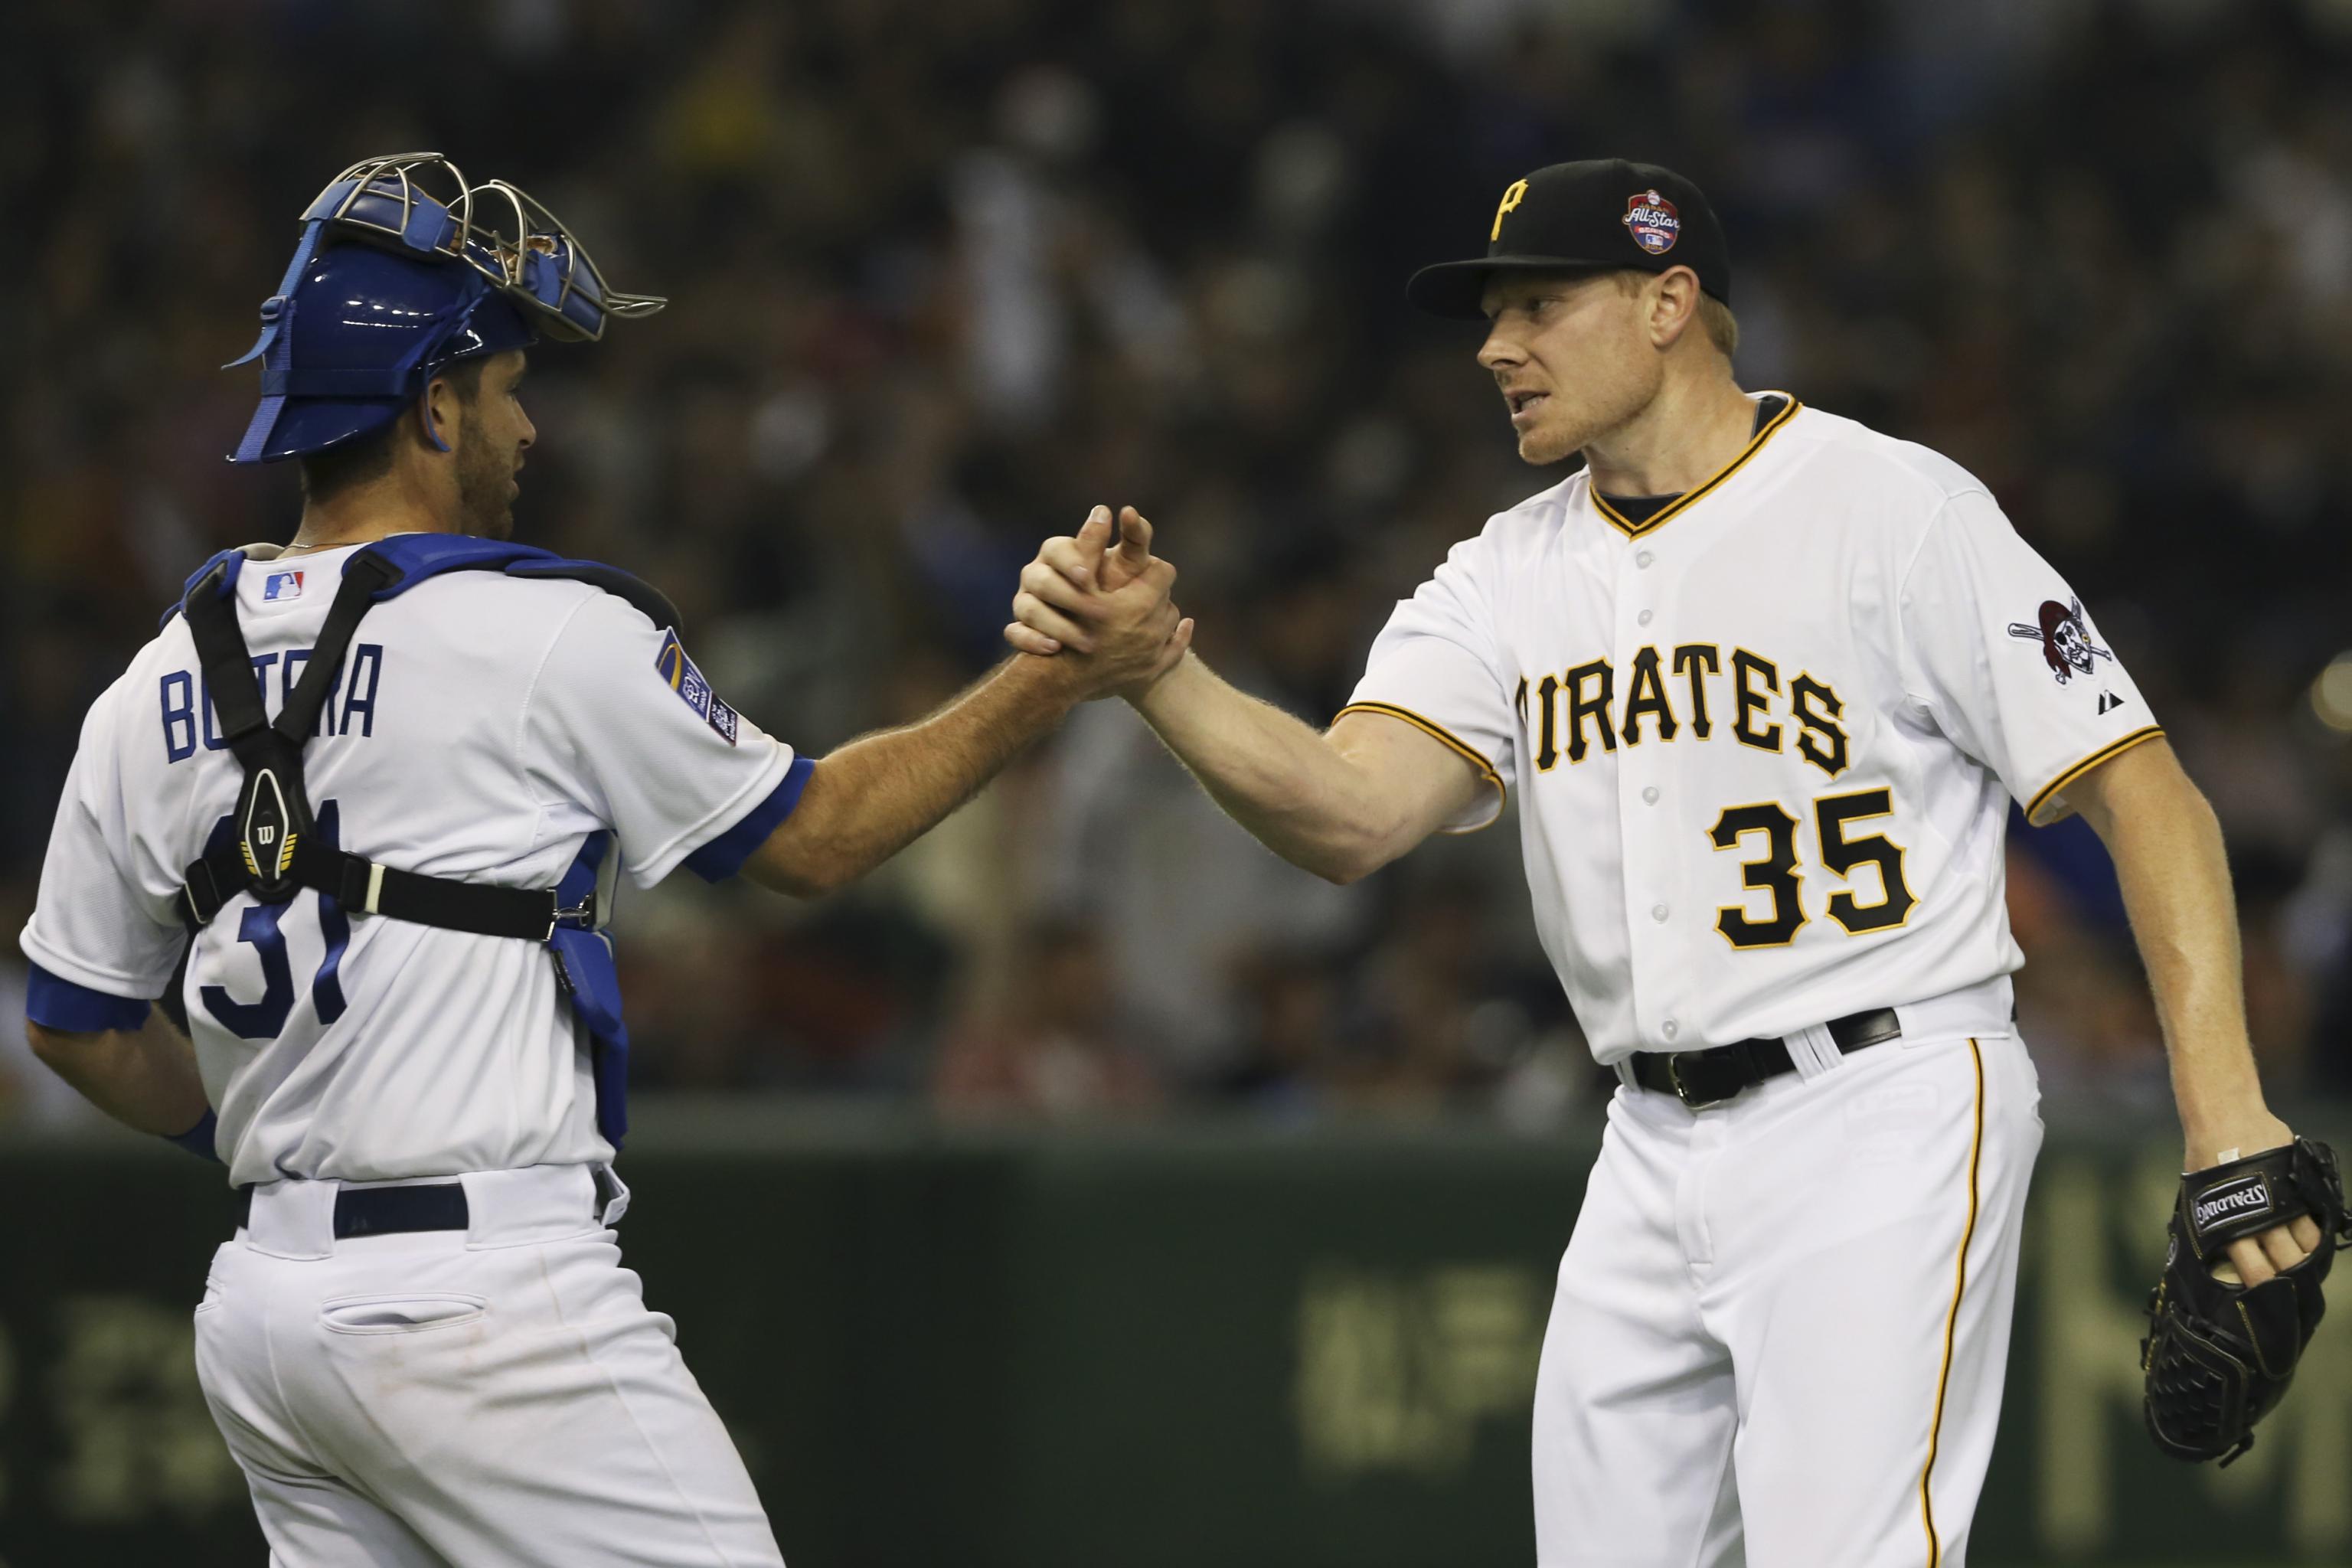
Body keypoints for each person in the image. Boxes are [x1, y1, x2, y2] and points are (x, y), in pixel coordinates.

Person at [1006, 158, 2321, 1563]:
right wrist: (1159, 673)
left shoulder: (1891, 507)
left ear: (1667, 302)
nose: (1496, 347)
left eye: (1539, 305)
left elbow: (2148, 793)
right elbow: (1344, 812)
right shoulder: (1502, 574)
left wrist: (2226, 1113)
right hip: (1646, 1138)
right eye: (1490, 316)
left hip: (1883, 1102)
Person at [18, 154, 1184, 1567]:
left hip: (268, 1312)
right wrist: (1057, 676)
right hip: (480, 1304)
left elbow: (75, 1026)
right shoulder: (540, 634)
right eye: (507, 388)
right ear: (431, 402)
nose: (527, 425)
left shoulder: (149, 684)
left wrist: (279, 1139)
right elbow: (813, 842)